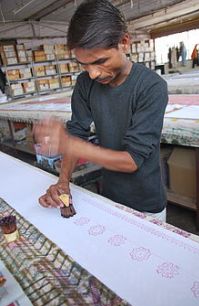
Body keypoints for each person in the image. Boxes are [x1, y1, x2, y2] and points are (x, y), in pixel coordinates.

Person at [34, 0, 168, 221]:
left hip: (147, 203)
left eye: (100, 61)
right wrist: (63, 181)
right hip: (110, 196)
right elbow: (77, 133)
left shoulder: (151, 87)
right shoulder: (85, 84)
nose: (93, 73)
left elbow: (131, 161)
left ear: (124, 42)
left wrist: (68, 143)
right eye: (84, 65)